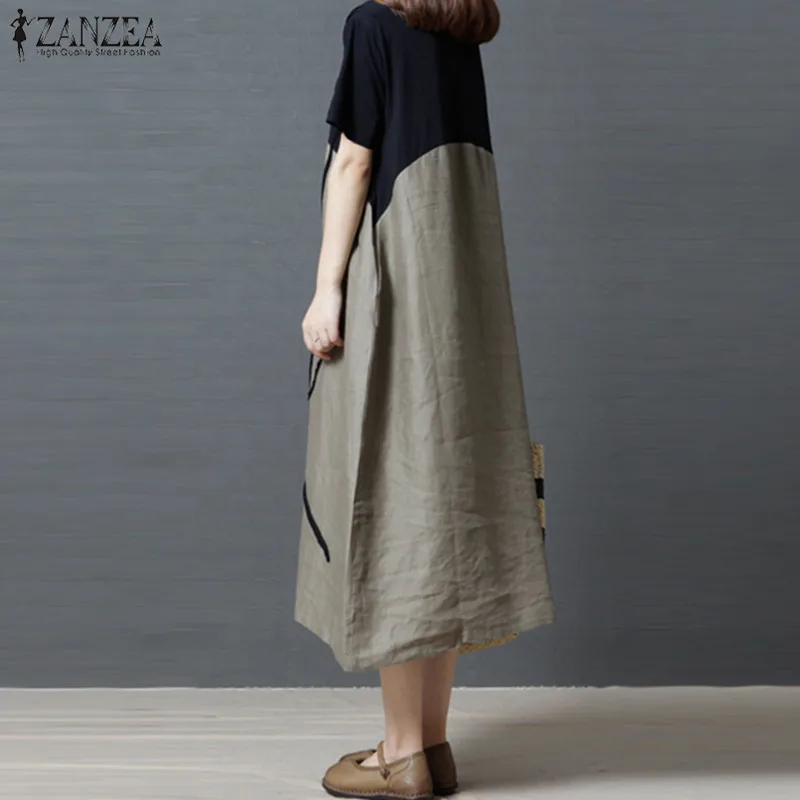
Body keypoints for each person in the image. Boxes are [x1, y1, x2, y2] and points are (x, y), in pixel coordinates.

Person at [297, 2, 556, 797]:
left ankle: (400, 750)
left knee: (392, 505)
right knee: (439, 506)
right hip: (461, 299)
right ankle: (432, 746)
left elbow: (355, 162)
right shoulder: (458, 33)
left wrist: (327, 288)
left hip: (397, 287)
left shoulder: (374, 24)